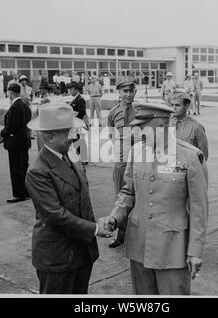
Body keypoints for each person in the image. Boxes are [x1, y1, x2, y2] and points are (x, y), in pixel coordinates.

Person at [102, 102, 209, 295]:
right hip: (139, 244)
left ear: (161, 126)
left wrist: (195, 251)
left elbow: (199, 209)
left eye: (142, 128)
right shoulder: (137, 152)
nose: (137, 132)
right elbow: (128, 192)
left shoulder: (190, 157)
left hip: (172, 249)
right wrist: (114, 217)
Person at [25, 102, 111, 294]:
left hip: (81, 252)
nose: (74, 136)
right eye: (68, 131)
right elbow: (55, 215)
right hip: (58, 257)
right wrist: (96, 229)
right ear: (49, 135)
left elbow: (83, 201)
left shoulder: (69, 155)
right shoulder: (38, 171)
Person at [107, 78, 138, 248]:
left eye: (131, 90)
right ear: (118, 92)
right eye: (124, 91)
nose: (128, 94)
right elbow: (112, 135)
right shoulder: (113, 113)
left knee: (139, 197)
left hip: (140, 161)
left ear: (135, 91)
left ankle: (137, 234)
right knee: (120, 197)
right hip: (121, 161)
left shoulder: (141, 111)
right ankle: (121, 234)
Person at [0, 83, 32, 203]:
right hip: (24, 140)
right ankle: (26, 191)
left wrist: (2, 133)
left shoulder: (14, 107)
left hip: (15, 142)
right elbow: (28, 118)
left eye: (8, 92)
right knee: (24, 167)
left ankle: (18, 194)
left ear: (11, 92)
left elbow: (11, 126)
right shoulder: (24, 105)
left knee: (16, 169)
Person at [169, 92, 209, 160]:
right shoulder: (167, 124)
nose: (174, 108)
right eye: (172, 105)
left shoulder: (196, 127)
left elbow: (203, 155)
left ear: (187, 106)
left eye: (177, 105)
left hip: (189, 167)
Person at [69, 82, 88, 164]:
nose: (70, 91)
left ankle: (84, 159)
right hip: (75, 123)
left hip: (78, 123)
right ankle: (81, 157)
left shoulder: (80, 99)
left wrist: (74, 114)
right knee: (76, 140)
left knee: (79, 140)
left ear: (76, 90)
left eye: (71, 89)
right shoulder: (75, 99)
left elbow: (82, 112)